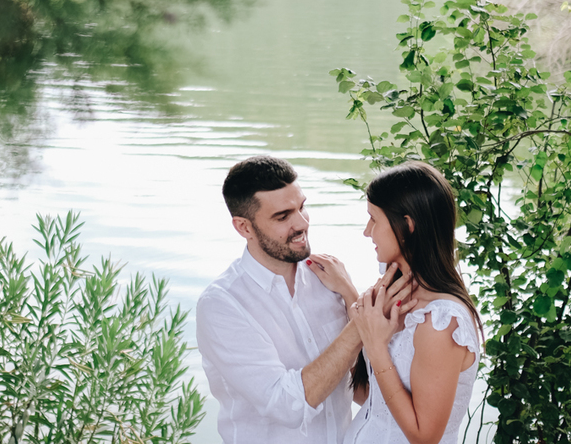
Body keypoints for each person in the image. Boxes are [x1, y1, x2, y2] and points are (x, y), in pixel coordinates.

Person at [197, 155, 416, 444]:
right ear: (244, 227)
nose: (302, 224)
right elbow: (285, 405)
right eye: (283, 216)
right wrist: (362, 321)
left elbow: (361, 390)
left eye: (302, 207)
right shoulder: (222, 306)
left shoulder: (329, 279)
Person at [344, 161, 484, 444]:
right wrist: (348, 295)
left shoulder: (442, 321)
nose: (367, 231)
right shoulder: (397, 293)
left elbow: (424, 437)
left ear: (406, 226)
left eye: (374, 219)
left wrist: (374, 344)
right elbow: (373, 399)